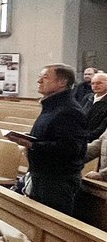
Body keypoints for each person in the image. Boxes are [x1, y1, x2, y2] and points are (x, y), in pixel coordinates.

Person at [7, 65, 88, 217]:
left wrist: (31, 144)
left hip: (56, 181)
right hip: (42, 176)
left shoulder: (69, 111)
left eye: (45, 77)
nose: (39, 80)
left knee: (51, 224)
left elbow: (70, 148)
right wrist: (29, 138)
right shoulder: (52, 106)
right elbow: (50, 137)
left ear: (62, 83)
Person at [85, 71, 107, 141]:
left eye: (99, 83)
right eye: (92, 83)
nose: (95, 86)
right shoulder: (87, 98)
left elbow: (102, 128)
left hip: (97, 140)